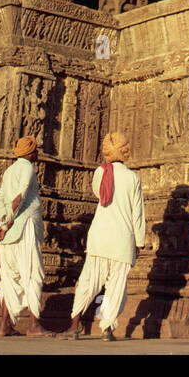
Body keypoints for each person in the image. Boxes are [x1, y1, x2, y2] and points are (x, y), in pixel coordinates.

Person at [66, 132, 146, 341]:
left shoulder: (100, 173)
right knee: (116, 286)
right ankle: (107, 328)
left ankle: (74, 324)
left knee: (89, 281)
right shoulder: (132, 178)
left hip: (100, 237)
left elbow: (98, 194)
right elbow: (137, 213)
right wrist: (140, 241)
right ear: (125, 150)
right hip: (122, 239)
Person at [0, 135, 48, 335]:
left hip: (7, 231)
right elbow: (20, 197)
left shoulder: (9, 171)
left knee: (8, 278)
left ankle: (5, 325)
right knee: (32, 273)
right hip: (23, 226)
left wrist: (2, 222)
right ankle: (33, 325)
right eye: (36, 150)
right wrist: (6, 224)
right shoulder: (27, 168)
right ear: (30, 152)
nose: (38, 153)